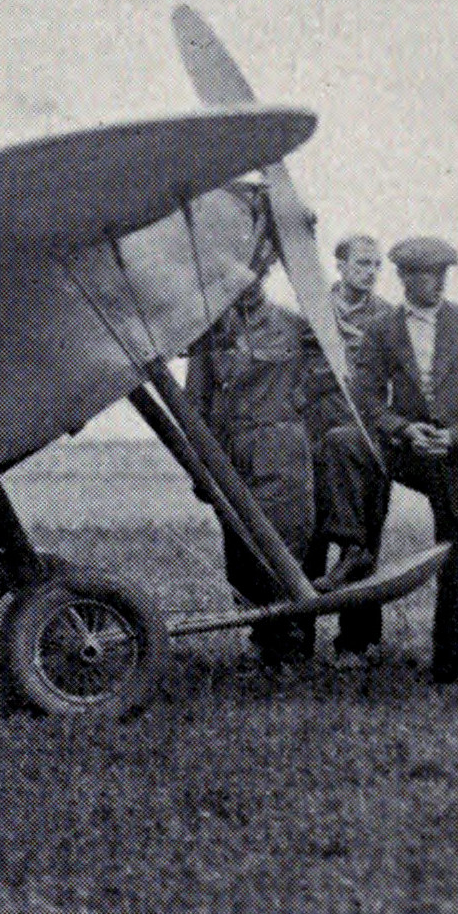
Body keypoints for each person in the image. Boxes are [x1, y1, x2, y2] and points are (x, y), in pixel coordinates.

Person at [349, 236, 458, 682]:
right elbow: (363, 394)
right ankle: (354, 581)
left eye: (444, 273)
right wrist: (403, 428)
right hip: (412, 453)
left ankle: (454, 670)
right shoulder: (382, 329)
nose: (438, 283)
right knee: (346, 447)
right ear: (403, 278)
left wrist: (455, 436)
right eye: (427, 274)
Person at [186, 273, 347, 662]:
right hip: (230, 449)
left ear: (264, 275)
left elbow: (339, 362)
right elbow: (195, 404)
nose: (245, 281)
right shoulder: (210, 333)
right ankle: (264, 635)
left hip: (281, 445)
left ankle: (291, 644)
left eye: (253, 272)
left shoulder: (292, 323)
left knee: (286, 544)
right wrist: (199, 469)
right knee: (240, 553)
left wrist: (300, 395)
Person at [309, 232, 398, 653]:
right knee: (311, 539)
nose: (371, 272)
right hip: (318, 437)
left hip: (367, 440)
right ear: (340, 266)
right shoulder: (313, 314)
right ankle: (298, 640)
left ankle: (357, 641)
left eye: (377, 265)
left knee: (363, 545)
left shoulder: (388, 318)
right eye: (363, 263)